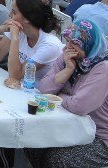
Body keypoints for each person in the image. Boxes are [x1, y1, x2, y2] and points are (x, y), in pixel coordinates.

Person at [24, 20, 108, 167]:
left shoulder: (103, 68)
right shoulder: (67, 56)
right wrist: (68, 70)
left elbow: (80, 106)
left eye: (74, 44)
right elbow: (43, 89)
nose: (68, 47)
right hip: (69, 125)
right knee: (32, 140)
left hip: (99, 136)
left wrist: (59, 95)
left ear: (88, 45)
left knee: (58, 160)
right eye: (68, 41)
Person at [0, 0, 63, 82]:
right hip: (20, 86)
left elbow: (15, 76)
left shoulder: (49, 45)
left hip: (38, 91)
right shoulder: (20, 30)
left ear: (27, 19)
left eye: (14, 12)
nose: (9, 15)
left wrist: (14, 39)